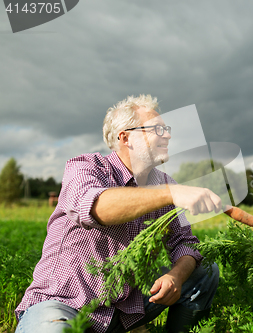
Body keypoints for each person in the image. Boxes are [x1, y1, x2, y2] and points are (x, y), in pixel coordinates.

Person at [15, 95, 222, 333]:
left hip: (123, 310)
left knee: (204, 270)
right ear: (126, 137)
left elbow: (185, 243)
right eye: (158, 129)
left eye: (167, 129)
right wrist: (171, 193)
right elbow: (97, 207)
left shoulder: (167, 185)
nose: (168, 135)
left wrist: (175, 276)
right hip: (64, 305)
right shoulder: (85, 167)